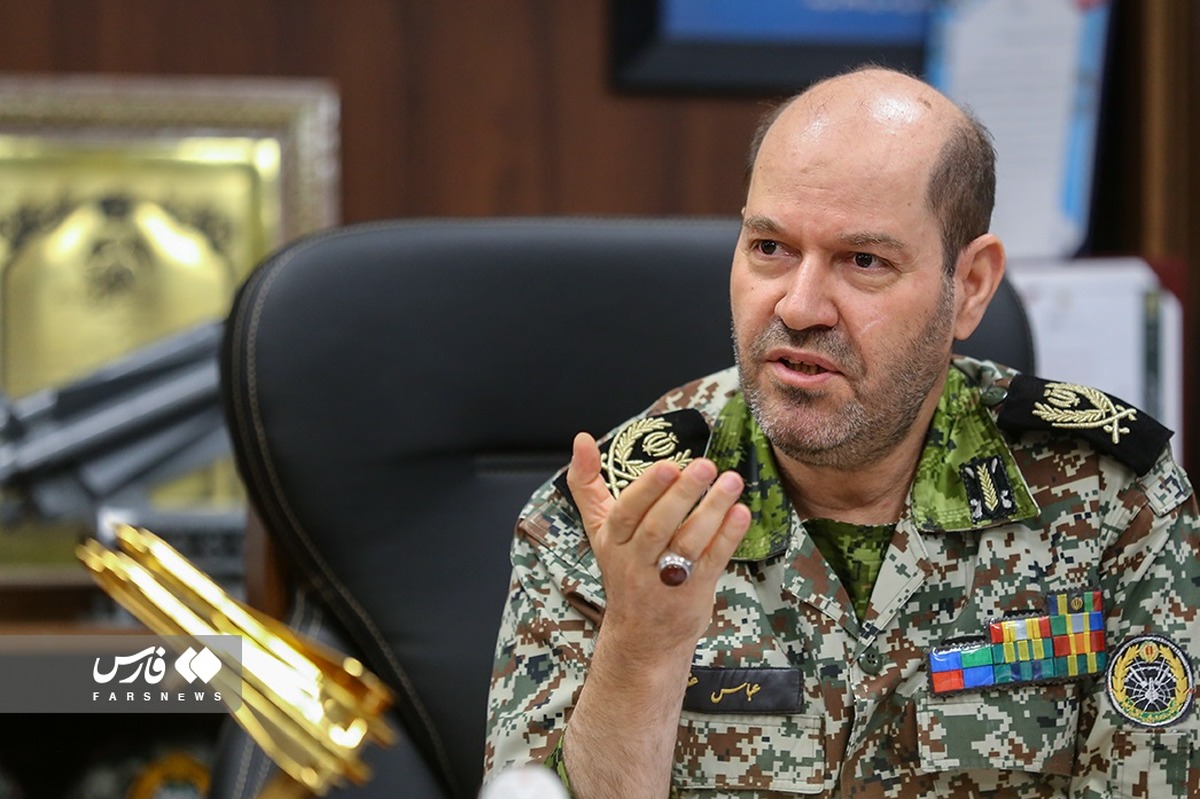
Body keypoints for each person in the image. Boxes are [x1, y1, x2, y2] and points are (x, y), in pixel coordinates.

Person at [484, 66, 1199, 798]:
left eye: (863, 261)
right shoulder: (618, 514)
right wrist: (641, 649)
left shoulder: (1110, 500)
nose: (799, 307)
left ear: (971, 286)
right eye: (770, 248)